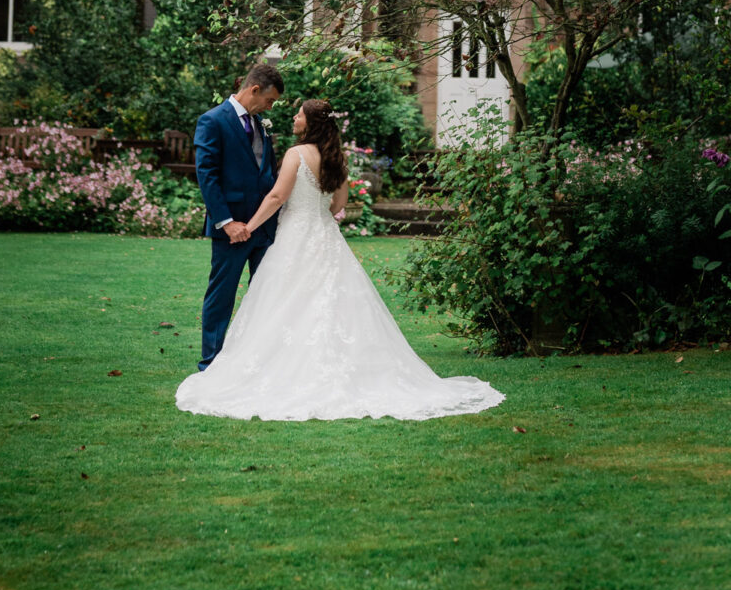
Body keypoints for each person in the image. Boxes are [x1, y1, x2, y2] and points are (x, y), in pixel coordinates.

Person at [176, 98, 506, 421]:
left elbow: (277, 196)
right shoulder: (337, 158)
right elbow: (337, 206)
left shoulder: (296, 154)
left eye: (298, 115)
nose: (293, 119)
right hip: (325, 237)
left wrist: (249, 225)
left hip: (294, 237)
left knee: (284, 303)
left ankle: (284, 368)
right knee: (329, 302)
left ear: (310, 123)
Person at [191, 61, 284, 371]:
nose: (270, 107)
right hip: (231, 229)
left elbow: (267, 173)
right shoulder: (212, 121)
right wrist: (227, 222)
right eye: (269, 100)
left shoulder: (260, 124)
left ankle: (261, 362)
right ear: (254, 89)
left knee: (267, 296)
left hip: (264, 228)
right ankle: (211, 363)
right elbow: (207, 175)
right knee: (222, 296)